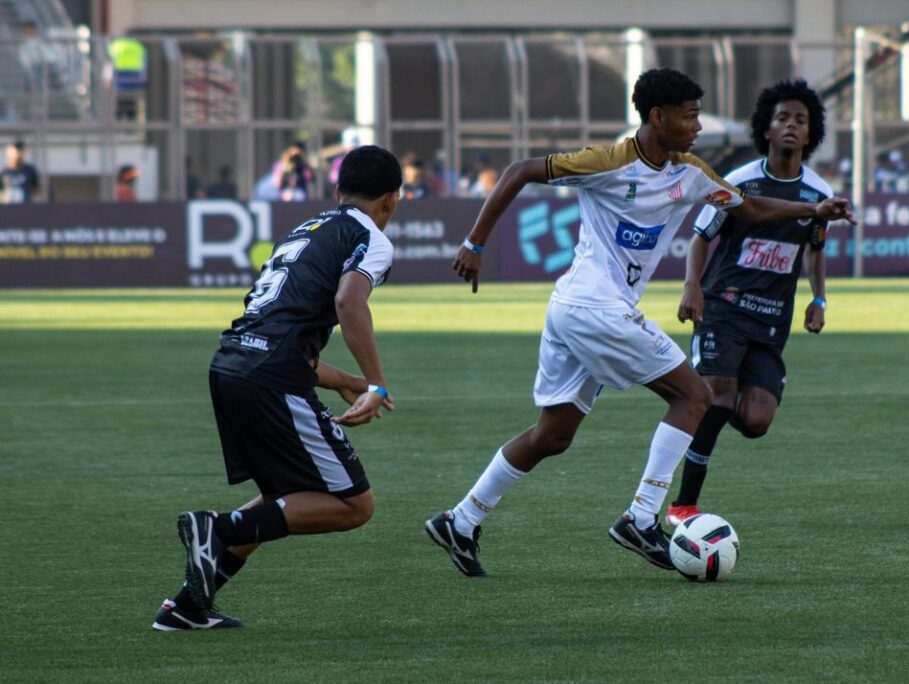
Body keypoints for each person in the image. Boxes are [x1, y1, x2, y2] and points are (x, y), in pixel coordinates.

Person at [424, 68, 854, 577]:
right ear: (658, 116)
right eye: (689, 116)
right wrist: (474, 243)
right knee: (694, 396)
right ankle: (642, 517)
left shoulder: (690, 172)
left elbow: (753, 208)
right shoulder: (607, 162)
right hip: (594, 308)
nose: (697, 127)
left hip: (575, 311)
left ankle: (461, 520)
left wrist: (815, 208)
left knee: (553, 434)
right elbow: (519, 170)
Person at [153, 145, 403, 630]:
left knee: (285, 496)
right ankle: (216, 527)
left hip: (231, 365)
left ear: (337, 190)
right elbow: (350, 302)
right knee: (354, 504)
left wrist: (346, 381)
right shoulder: (370, 238)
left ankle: (187, 605)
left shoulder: (305, 229)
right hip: (270, 376)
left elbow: (279, 331)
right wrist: (375, 383)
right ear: (392, 199)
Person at [665, 79, 836, 526]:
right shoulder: (740, 182)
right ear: (766, 128)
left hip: (771, 320)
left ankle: (712, 402)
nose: (791, 126)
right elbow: (701, 236)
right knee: (718, 398)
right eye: (783, 118)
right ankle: (683, 505)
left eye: (801, 120)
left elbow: (815, 248)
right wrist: (691, 285)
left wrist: (819, 298)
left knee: (756, 421)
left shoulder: (819, 194)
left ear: (811, 132)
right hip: (723, 307)